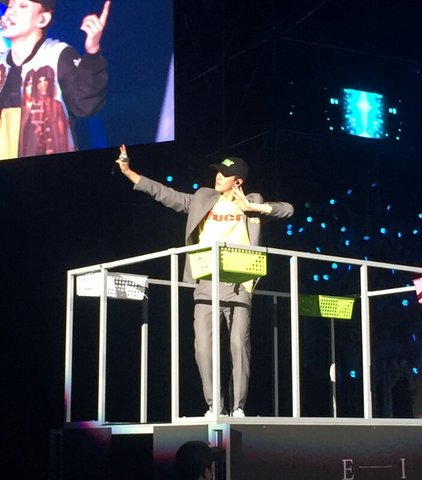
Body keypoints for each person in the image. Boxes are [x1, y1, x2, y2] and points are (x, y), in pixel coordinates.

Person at [115, 145, 294, 417]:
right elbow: (166, 194)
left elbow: (288, 210)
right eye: (218, 172)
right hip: (207, 282)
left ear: (238, 181)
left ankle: (238, 407)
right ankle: (214, 405)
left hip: (239, 284)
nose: (218, 176)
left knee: (238, 345)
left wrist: (252, 208)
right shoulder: (203, 197)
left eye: (225, 174)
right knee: (202, 347)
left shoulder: (252, 202)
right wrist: (129, 172)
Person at [0, 0, 110, 160]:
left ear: (42, 19)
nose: (10, 12)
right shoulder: (1, 64)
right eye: (10, 6)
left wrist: (92, 52)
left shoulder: (57, 55)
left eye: (23, 6)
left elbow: (85, 105)